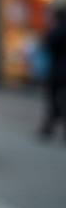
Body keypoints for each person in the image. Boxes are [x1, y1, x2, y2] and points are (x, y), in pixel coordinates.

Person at [39, 7, 66, 140]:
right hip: (59, 70)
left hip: (58, 71)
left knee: (54, 100)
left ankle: (50, 124)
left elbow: (48, 43)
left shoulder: (57, 30)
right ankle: (50, 125)